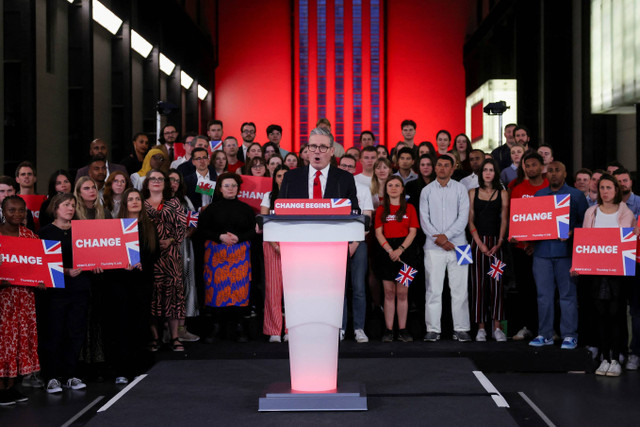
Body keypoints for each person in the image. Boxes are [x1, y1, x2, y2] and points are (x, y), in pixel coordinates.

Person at [578, 174, 636, 376]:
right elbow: (585, 241)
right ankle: (604, 357)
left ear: (616, 190)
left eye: (609, 187)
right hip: (596, 272)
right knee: (599, 314)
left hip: (617, 274)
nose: (605, 191)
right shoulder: (591, 212)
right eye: (602, 187)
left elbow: (627, 244)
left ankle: (617, 357)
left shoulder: (626, 213)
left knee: (616, 314)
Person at [529, 161, 588, 350]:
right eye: (551, 171)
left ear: (565, 173)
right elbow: (533, 222)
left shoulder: (577, 195)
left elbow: (585, 225)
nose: (553, 174)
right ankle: (545, 334)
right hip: (542, 253)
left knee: (568, 295)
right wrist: (525, 237)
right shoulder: (539, 195)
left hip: (567, 253)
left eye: (557, 171)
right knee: (543, 296)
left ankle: (570, 335)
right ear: (546, 175)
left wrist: (571, 232)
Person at [38, 193, 90, 393]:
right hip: (55, 292)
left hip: (79, 289)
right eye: (66, 204)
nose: (71, 208)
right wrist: (65, 271)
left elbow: (91, 255)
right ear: (56, 207)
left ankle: (71, 374)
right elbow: (42, 263)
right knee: (54, 332)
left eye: (73, 205)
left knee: (75, 332)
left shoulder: (81, 231)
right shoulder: (45, 232)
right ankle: (51, 376)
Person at [108, 189, 159, 384]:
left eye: (138, 199)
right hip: (120, 283)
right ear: (124, 204)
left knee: (140, 324)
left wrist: (142, 263)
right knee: (121, 325)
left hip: (142, 283)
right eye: (130, 199)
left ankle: (139, 368)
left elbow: (155, 254)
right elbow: (109, 254)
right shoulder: (115, 226)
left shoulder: (149, 226)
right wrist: (122, 265)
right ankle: (121, 369)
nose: (135, 202)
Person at [198, 173, 256, 342]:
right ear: (220, 188)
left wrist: (239, 238)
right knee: (216, 291)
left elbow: (254, 231)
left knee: (239, 292)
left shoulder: (246, 209)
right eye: (227, 186)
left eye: (234, 186)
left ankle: (239, 327)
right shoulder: (211, 209)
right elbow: (202, 230)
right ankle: (216, 327)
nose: (231, 189)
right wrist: (220, 237)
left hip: (240, 257)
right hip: (217, 257)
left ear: (238, 188)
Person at [420, 155, 471, 342]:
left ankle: (462, 328)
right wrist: (441, 240)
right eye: (439, 165)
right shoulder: (426, 191)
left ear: (453, 169)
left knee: (460, 290)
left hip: (460, 246)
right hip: (433, 247)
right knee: (433, 289)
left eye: (446, 165)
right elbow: (424, 220)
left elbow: (463, 218)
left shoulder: (461, 189)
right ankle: (433, 329)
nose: (442, 168)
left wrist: (447, 237)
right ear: (435, 168)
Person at [0, 196, 41, 406]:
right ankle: (1, 387)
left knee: (19, 341)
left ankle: (12, 387)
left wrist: (41, 281)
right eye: (11, 210)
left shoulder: (30, 236)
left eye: (20, 211)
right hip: (2, 300)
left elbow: (38, 268)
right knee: (3, 342)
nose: (16, 214)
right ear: (3, 211)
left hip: (24, 298)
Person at [143, 169, 187, 352]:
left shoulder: (174, 203)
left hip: (170, 256)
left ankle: (175, 337)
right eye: (152, 178)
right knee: (152, 296)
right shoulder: (141, 204)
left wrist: (170, 240)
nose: (156, 181)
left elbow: (182, 228)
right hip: (149, 256)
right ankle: (155, 338)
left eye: (160, 179)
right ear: (146, 183)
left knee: (173, 296)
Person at [509, 152, 549, 340]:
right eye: (528, 165)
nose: (531, 168)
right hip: (522, 250)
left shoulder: (550, 186)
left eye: (534, 165)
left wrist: (536, 243)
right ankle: (527, 326)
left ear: (542, 167)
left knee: (546, 290)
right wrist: (523, 242)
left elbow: (551, 219)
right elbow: (515, 218)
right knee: (525, 290)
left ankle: (547, 329)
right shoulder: (517, 188)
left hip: (545, 249)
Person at [467, 159, 509, 342]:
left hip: (496, 245)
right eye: (485, 170)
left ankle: (497, 327)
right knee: (478, 286)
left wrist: (499, 242)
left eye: (491, 170)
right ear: (480, 173)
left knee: (497, 286)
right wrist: (479, 242)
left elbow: (504, 220)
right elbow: (470, 220)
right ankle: (481, 328)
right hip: (477, 245)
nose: (488, 173)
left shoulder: (503, 193)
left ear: (495, 173)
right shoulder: (472, 192)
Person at [374, 176, 419, 342]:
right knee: (389, 293)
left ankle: (403, 329)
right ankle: (388, 329)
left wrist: (400, 250)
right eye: (390, 185)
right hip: (386, 252)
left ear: (402, 189)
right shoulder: (380, 210)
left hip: (406, 253)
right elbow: (379, 233)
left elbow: (413, 232)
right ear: (386, 189)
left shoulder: (410, 209)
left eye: (397, 185)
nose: (393, 188)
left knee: (402, 293)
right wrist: (390, 250)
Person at [337, 155, 374, 343]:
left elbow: (366, 221)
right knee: (339, 289)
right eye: (343, 165)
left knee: (359, 288)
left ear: (355, 169)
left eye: (350, 166)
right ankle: (340, 328)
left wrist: (354, 244)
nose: (346, 169)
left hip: (359, 243)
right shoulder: (332, 188)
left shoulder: (363, 189)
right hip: (336, 243)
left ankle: (359, 328)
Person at [279, 127, 359, 211]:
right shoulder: (290, 177)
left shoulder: (345, 178)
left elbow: (354, 212)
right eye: (313, 146)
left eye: (323, 147)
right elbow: (280, 211)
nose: (317, 151)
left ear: (332, 151)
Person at [168, 169, 200, 343]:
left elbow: (194, 221)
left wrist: (189, 232)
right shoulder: (160, 201)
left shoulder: (185, 200)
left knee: (185, 285)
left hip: (185, 248)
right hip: (165, 250)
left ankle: (182, 328)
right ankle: (167, 330)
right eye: (170, 180)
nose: (173, 183)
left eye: (176, 180)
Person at [260, 165, 290, 342]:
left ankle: (289, 329)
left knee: (291, 290)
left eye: (285, 176)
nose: (282, 178)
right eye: (279, 176)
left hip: (292, 245)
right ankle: (274, 329)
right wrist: (276, 245)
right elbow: (264, 222)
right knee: (273, 289)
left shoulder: (297, 196)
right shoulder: (268, 196)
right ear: (275, 178)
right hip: (272, 244)